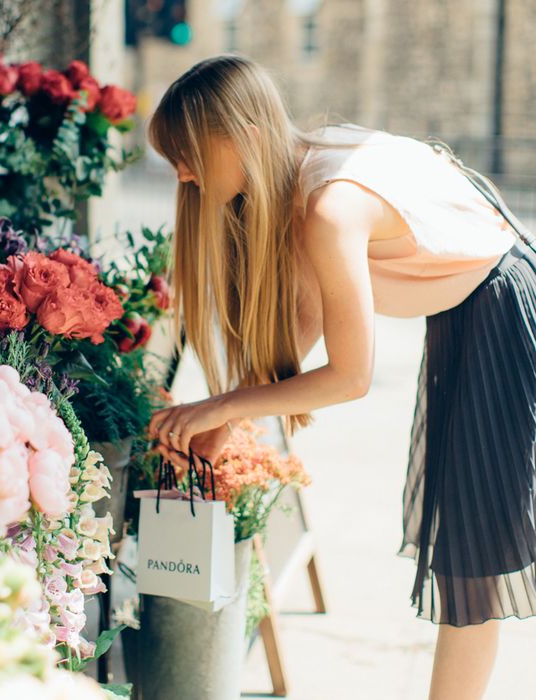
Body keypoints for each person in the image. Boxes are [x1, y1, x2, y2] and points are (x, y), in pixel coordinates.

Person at [146, 54, 536, 700]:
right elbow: (305, 322)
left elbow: (351, 377)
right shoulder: (297, 172)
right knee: (465, 560)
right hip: (471, 306)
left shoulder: (329, 207)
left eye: (185, 153)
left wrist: (219, 409)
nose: (181, 173)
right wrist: (232, 417)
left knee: (472, 567)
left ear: (234, 135)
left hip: (497, 306)